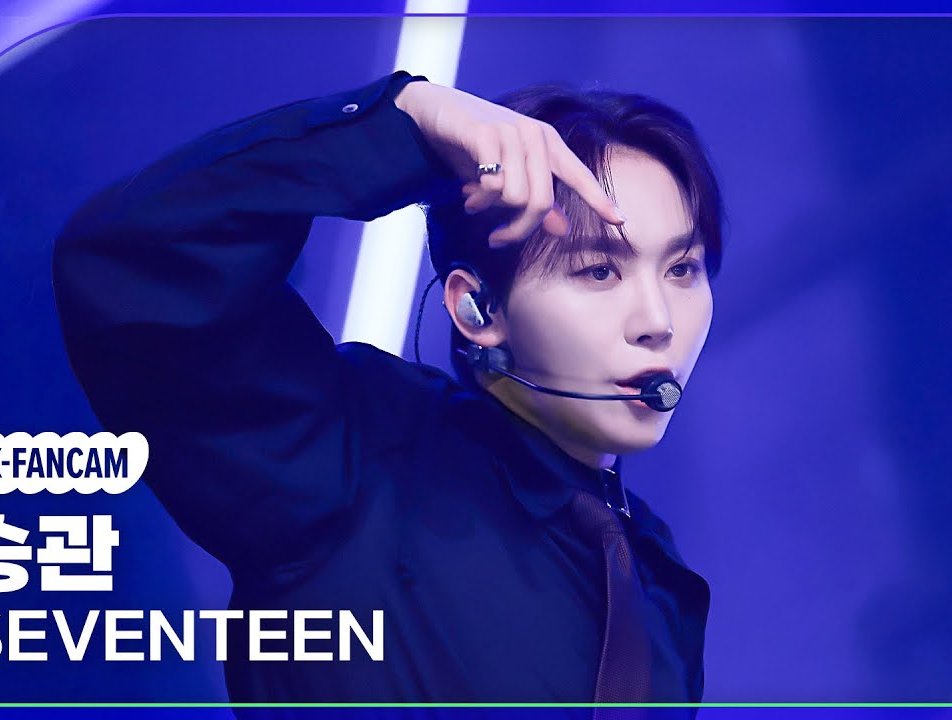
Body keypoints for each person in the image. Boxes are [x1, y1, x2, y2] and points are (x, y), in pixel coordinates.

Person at [53, 69, 724, 714]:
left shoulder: (657, 581)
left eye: (682, 269)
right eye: (599, 270)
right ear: (477, 310)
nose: (658, 321)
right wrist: (405, 120)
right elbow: (137, 260)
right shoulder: (353, 454)